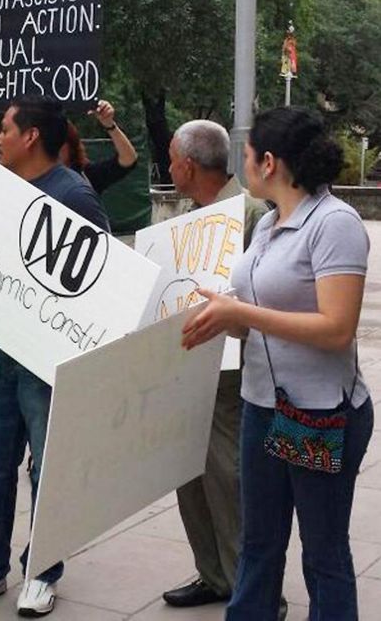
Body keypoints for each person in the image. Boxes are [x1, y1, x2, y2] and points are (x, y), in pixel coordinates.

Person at [182, 107, 373, 621]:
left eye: (245, 156)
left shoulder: (335, 224)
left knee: (322, 551)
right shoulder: (267, 223)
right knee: (258, 542)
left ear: (269, 162)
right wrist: (219, 316)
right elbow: (258, 320)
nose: (240, 164)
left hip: (319, 413)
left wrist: (240, 311)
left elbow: (337, 328)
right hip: (262, 406)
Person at [0, 95, 110, 617]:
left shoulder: (75, 195)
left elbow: (97, 281)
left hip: (46, 360)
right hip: (0, 350)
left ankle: (42, 571)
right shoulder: (6, 189)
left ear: (31, 136)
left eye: (6, 128)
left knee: (44, 470)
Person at [160, 121, 268, 610]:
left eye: (171, 158)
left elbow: (262, 298)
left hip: (233, 375)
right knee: (189, 473)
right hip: (189, 365)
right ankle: (214, 574)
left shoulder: (248, 215)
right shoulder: (192, 215)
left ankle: (252, 587)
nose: (168, 167)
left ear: (188, 163)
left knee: (228, 481)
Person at [0, 86, 137, 195]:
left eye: (5, 131)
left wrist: (109, 125)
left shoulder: (82, 185)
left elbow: (128, 160)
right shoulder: (19, 173)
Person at [60, 101, 138, 194]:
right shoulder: (38, 180)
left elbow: (128, 159)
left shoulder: (87, 175)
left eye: (57, 141)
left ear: (71, 146)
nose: (50, 147)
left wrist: (109, 125)